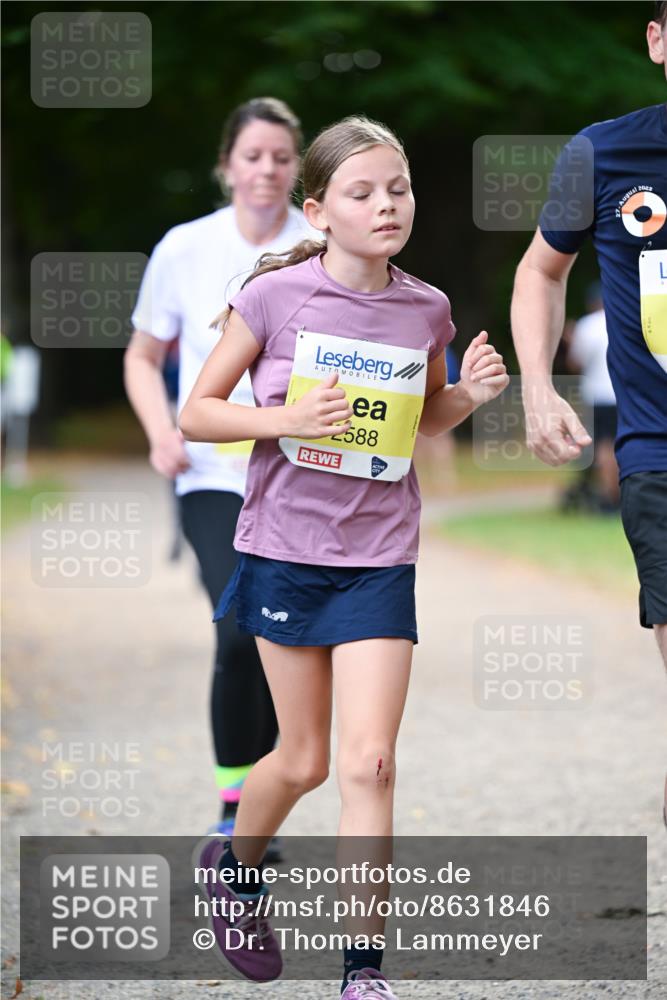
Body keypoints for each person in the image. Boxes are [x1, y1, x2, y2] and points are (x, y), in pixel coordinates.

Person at [181, 115, 508, 997]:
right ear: (319, 212)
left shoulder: (426, 308)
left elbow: (419, 420)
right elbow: (198, 412)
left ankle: (363, 972)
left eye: (398, 189)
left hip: (379, 555)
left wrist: (467, 395)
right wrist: (284, 418)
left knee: (370, 763)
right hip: (285, 551)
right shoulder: (273, 299)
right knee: (303, 760)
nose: (386, 205)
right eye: (362, 193)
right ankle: (233, 868)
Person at [124, 98, 319, 846]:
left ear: (296, 168)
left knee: (280, 639)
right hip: (210, 471)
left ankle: (261, 806)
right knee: (239, 632)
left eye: (280, 157)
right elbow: (144, 357)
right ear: (226, 166)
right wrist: (159, 432)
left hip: (300, 474)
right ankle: (235, 808)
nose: (266, 169)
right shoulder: (185, 247)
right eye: (252, 156)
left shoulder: (319, 243)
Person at [511, 4, 666, 813]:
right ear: (656, 40)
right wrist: (538, 388)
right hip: (657, 452)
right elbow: (540, 272)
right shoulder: (602, 153)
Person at [566, 283, 619, 511]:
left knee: (604, 446)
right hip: (623, 392)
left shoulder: (586, 326)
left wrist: (570, 340)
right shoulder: (624, 318)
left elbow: (575, 363)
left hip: (598, 394)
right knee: (623, 443)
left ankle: (610, 496)